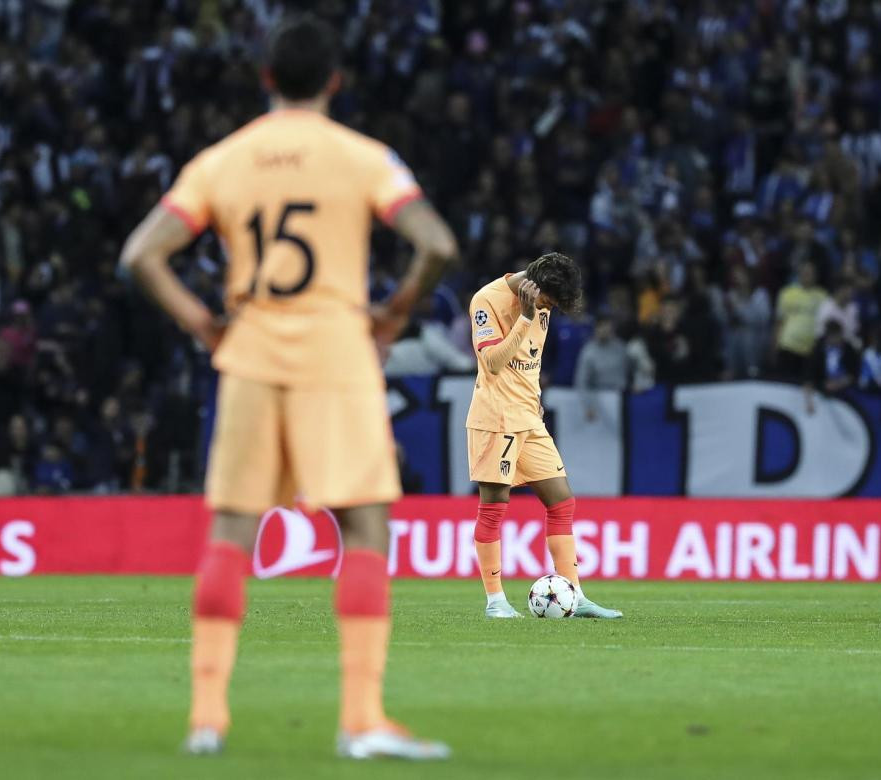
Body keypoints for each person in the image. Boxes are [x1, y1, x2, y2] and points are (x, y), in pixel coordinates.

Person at [120, 16, 457, 760]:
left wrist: (204, 326)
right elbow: (436, 242)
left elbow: (142, 254)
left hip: (250, 353)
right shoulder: (364, 158)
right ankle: (362, 719)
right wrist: (396, 311)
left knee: (232, 534)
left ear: (266, 80)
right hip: (338, 354)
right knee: (365, 529)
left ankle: (207, 717)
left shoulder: (222, 162)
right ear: (334, 81)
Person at [465, 252, 622, 620]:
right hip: (496, 419)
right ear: (533, 286)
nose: (547, 308)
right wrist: (524, 316)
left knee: (562, 502)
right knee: (493, 509)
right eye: (548, 301)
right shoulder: (486, 300)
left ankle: (575, 595)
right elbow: (492, 362)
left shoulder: (542, 303)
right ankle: (496, 602)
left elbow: (529, 362)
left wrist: (535, 400)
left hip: (529, 418)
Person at [774, 261, 827, 381]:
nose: (807, 275)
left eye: (810, 273)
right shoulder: (787, 293)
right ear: (799, 274)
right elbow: (779, 322)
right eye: (805, 272)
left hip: (809, 351)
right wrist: (774, 346)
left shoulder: (822, 296)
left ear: (816, 276)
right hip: (788, 347)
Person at [574, 316, 629, 420]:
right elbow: (581, 381)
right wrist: (588, 405)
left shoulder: (621, 348)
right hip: (599, 399)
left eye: (607, 326)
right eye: (601, 326)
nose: (604, 329)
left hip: (622, 399)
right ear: (595, 329)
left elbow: (630, 371)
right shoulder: (588, 351)